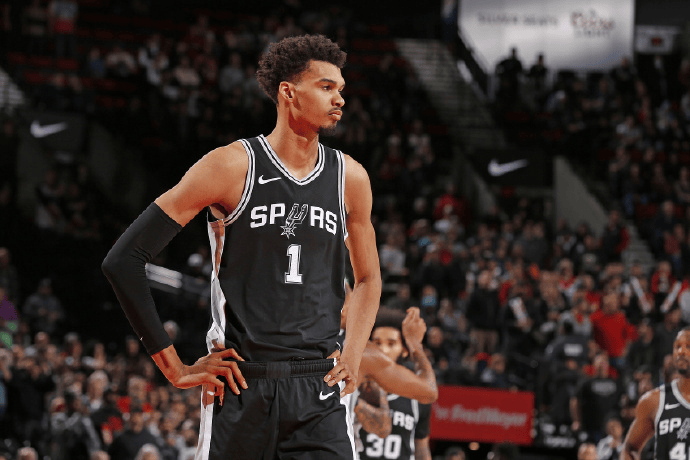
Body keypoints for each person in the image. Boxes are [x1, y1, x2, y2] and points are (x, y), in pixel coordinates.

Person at [102, 34, 381, 460]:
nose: (339, 98)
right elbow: (124, 260)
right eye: (326, 87)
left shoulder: (350, 178)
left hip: (318, 388)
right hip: (240, 384)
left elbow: (368, 278)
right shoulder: (232, 166)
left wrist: (354, 354)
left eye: (341, 88)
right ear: (288, 92)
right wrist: (175, 369)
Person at [357, 308, 434, 460]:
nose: (383, 350)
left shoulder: (416, 395)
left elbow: (422, 450)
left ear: (404, 350)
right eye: (377, 343)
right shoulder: (355, 387)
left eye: (391, 344)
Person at [621, 327, 690, 459]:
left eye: (688, 346)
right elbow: (629, 449)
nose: (681, 351)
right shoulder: (654, 400)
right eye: (677, 347)